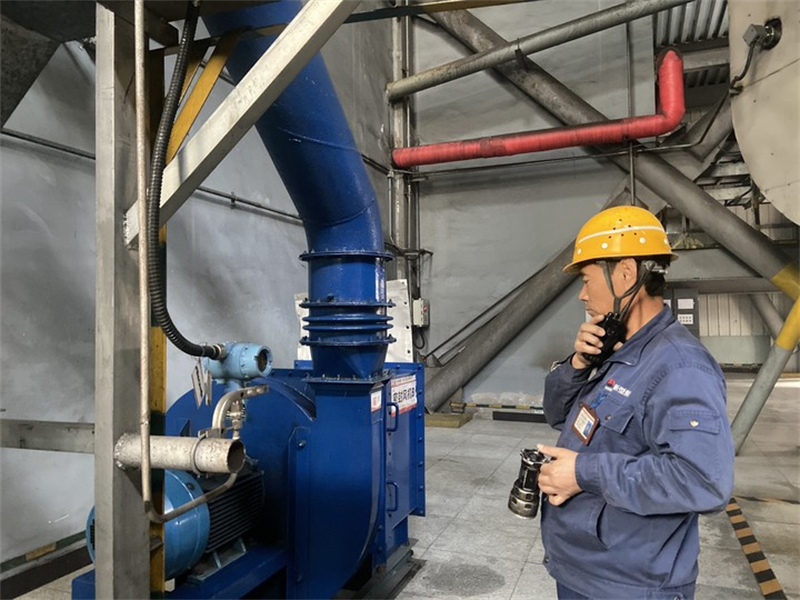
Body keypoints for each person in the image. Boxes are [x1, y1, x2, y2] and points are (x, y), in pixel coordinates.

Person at [536, 206, 735, 600]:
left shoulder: (680, 366)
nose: (582, 294)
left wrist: (583, 473)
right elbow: (556, 414)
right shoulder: (623, 352)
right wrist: (579, 364)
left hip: (630, 586)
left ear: (625, 273)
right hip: (588, 572)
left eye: (587, 279)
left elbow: (704, 481)